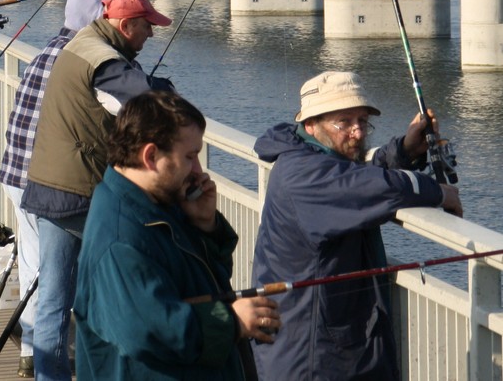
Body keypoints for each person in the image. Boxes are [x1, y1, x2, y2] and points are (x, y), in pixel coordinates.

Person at [251, 70, 463, 381]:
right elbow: (373, 187)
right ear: (311, 123)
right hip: (311, 357)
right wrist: (439, 192)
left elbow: (357, 173)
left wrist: (405, 148)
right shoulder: (302, 175)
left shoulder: (309, 156)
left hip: (323, 344)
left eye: (362, 121)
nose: (357, 132)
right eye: (344, 122)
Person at [22, 0, 174, 381]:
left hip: (49, 184)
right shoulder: (102, 57)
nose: (150, 36)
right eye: (146, 27)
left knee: (54, 298)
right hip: (79, 192)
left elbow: (120, 88)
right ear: (125, 25)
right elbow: (144, 98)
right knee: (119, 287)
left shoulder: (82, 43)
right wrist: (169, 94)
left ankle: (49, 376)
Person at [75, 89, 279, 380]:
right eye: (190, 156)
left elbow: (201, 282)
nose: (198, 169)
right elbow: (146, 329)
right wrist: (231, 322)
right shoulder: (121, 239)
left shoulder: (156, 203)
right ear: (151, 156)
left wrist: (204, 225)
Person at [0, 0, 106, 378]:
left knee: (34, 267)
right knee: (58, 280)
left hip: (14, 171)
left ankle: (32, 351)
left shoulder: (47, 49)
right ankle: (49, 355)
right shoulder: (83, 59)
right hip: (45, 181)